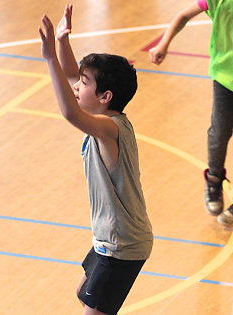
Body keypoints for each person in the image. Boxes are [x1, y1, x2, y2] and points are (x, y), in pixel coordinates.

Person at [39, 4, 153, 315]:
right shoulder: (108, 115)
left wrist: (49, 57)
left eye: (85, 83)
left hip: (122, 246)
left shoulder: (107, 129)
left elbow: (69, 112)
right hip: (113, 237)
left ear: (106, 97)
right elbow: (72, 75)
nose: (76, 85)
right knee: (83, 292)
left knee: (93, 308)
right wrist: (62, 41)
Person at [149, 0, 233, 227]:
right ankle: (214, 179)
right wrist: (164, 44)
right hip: (225, 78)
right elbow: (183, 15)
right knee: (219, 132)